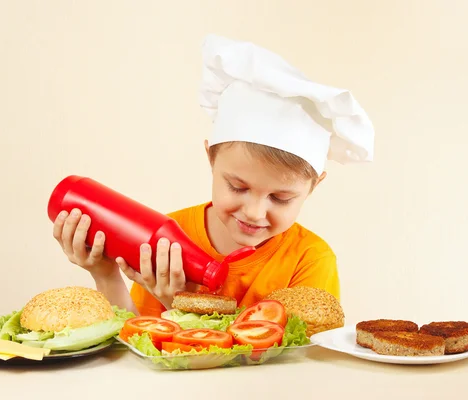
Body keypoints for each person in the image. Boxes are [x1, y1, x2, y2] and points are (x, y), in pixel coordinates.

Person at [52, 34, 375, 317]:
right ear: (211, 159)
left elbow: (295, 365)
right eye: (237, 186)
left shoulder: (309, 259)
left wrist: (181, 307)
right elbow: (136, 343)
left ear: (314, 185)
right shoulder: (166, 241)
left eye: (280, 197)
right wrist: (106, 275)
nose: (254, 212)